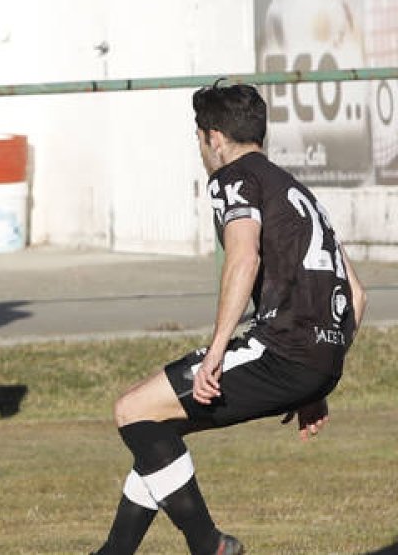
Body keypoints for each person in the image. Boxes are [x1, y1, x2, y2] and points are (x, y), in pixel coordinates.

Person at [90, 83, 367, 555]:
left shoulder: (234, 177)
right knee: (155, 427)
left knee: (132, 410)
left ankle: (209, 545)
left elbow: (243, 259)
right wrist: (318, 383)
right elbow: (356, 294)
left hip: (281, 349)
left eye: (199, 138)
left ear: (214, 138)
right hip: (318, 356)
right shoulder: (296, 190)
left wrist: (216, 351)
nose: (201, 149)